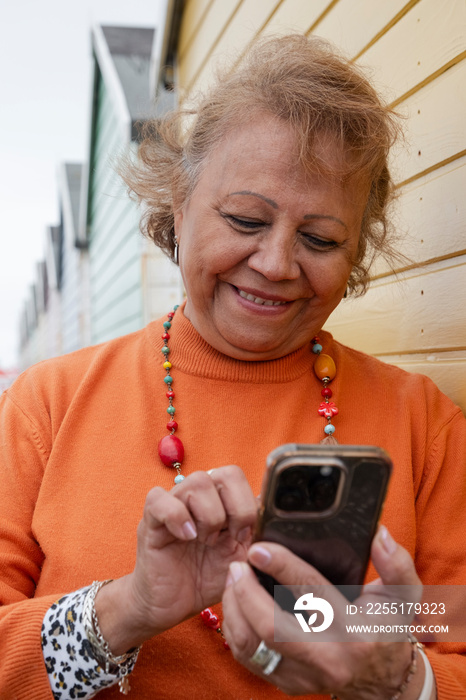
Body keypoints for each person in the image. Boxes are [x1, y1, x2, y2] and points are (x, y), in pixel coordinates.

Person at [0, 34, 465, 700]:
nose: (276, 263)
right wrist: (128, 608)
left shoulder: (424, 425)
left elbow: (452, 639)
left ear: (356, 250)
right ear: (177, 207)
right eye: (246, 218)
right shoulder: (46, 406)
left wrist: (398, 678)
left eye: (321, 238)